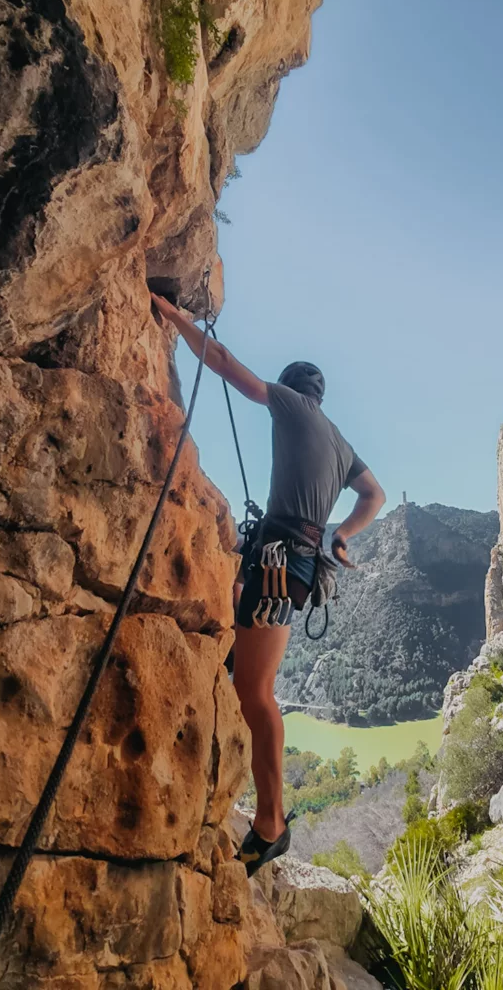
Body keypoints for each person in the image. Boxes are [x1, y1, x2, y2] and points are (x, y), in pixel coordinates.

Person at [151, 292, 386, 874]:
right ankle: (249, 802)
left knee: (254, 690)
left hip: (280, 559)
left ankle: (271, 823)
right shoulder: (338, 438)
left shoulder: (292, 406)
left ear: (292, 393)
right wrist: (341, 536)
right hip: (293, 562)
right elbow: (374, 495)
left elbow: (228, 364)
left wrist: (176, 317)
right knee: (243, 672)